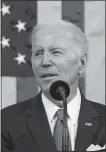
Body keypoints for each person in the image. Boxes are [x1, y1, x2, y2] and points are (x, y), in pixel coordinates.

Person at [1, 20, 105, 152]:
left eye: (56, 52)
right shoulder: (5, 121)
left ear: (82, 62)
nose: (44, 62)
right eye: (38, 53)